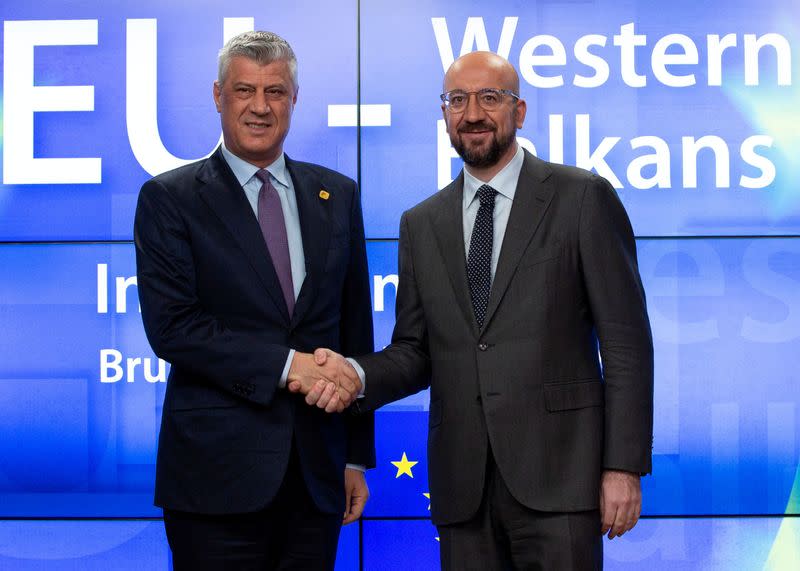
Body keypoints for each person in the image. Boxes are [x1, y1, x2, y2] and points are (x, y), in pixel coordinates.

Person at [298, 51, 654, 569]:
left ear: (520, 110)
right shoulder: (421, 222)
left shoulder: (582, 197)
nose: (473, 114)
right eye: (457, 100)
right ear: (444, 114)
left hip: (561, 481)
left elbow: (626, 344)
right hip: (462, 489)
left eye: (490, 97)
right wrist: (353, 373)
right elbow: (416, 351)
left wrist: (622, 467)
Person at [134, 31, 374, 570]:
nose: (260, 107)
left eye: (276, 91)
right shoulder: (169, 200)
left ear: (295, 98)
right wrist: (290, 368)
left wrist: (356, 455)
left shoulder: (337, 195)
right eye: (245, 91)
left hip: (317, 479)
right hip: (214, 482)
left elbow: (354, 329)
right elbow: (174, 328)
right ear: (219, 95)